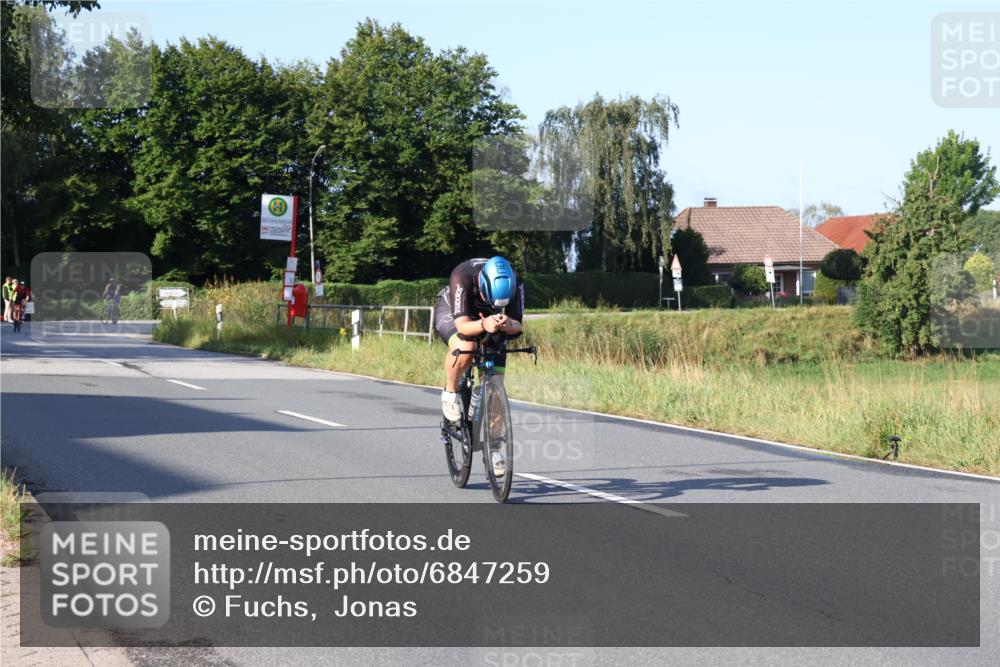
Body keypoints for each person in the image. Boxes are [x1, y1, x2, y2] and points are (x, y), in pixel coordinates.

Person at [433, 256, 525, 476]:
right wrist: (484, 323)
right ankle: (451, 391)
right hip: (457, 314)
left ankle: (493, 448)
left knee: (496, 386)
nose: (497, 304)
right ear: (482, 284)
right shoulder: (462, 276)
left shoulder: (516, 283)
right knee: (466, 346)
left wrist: (508, 323)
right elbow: (462, 325)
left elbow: (518, 325)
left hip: (492, 322)